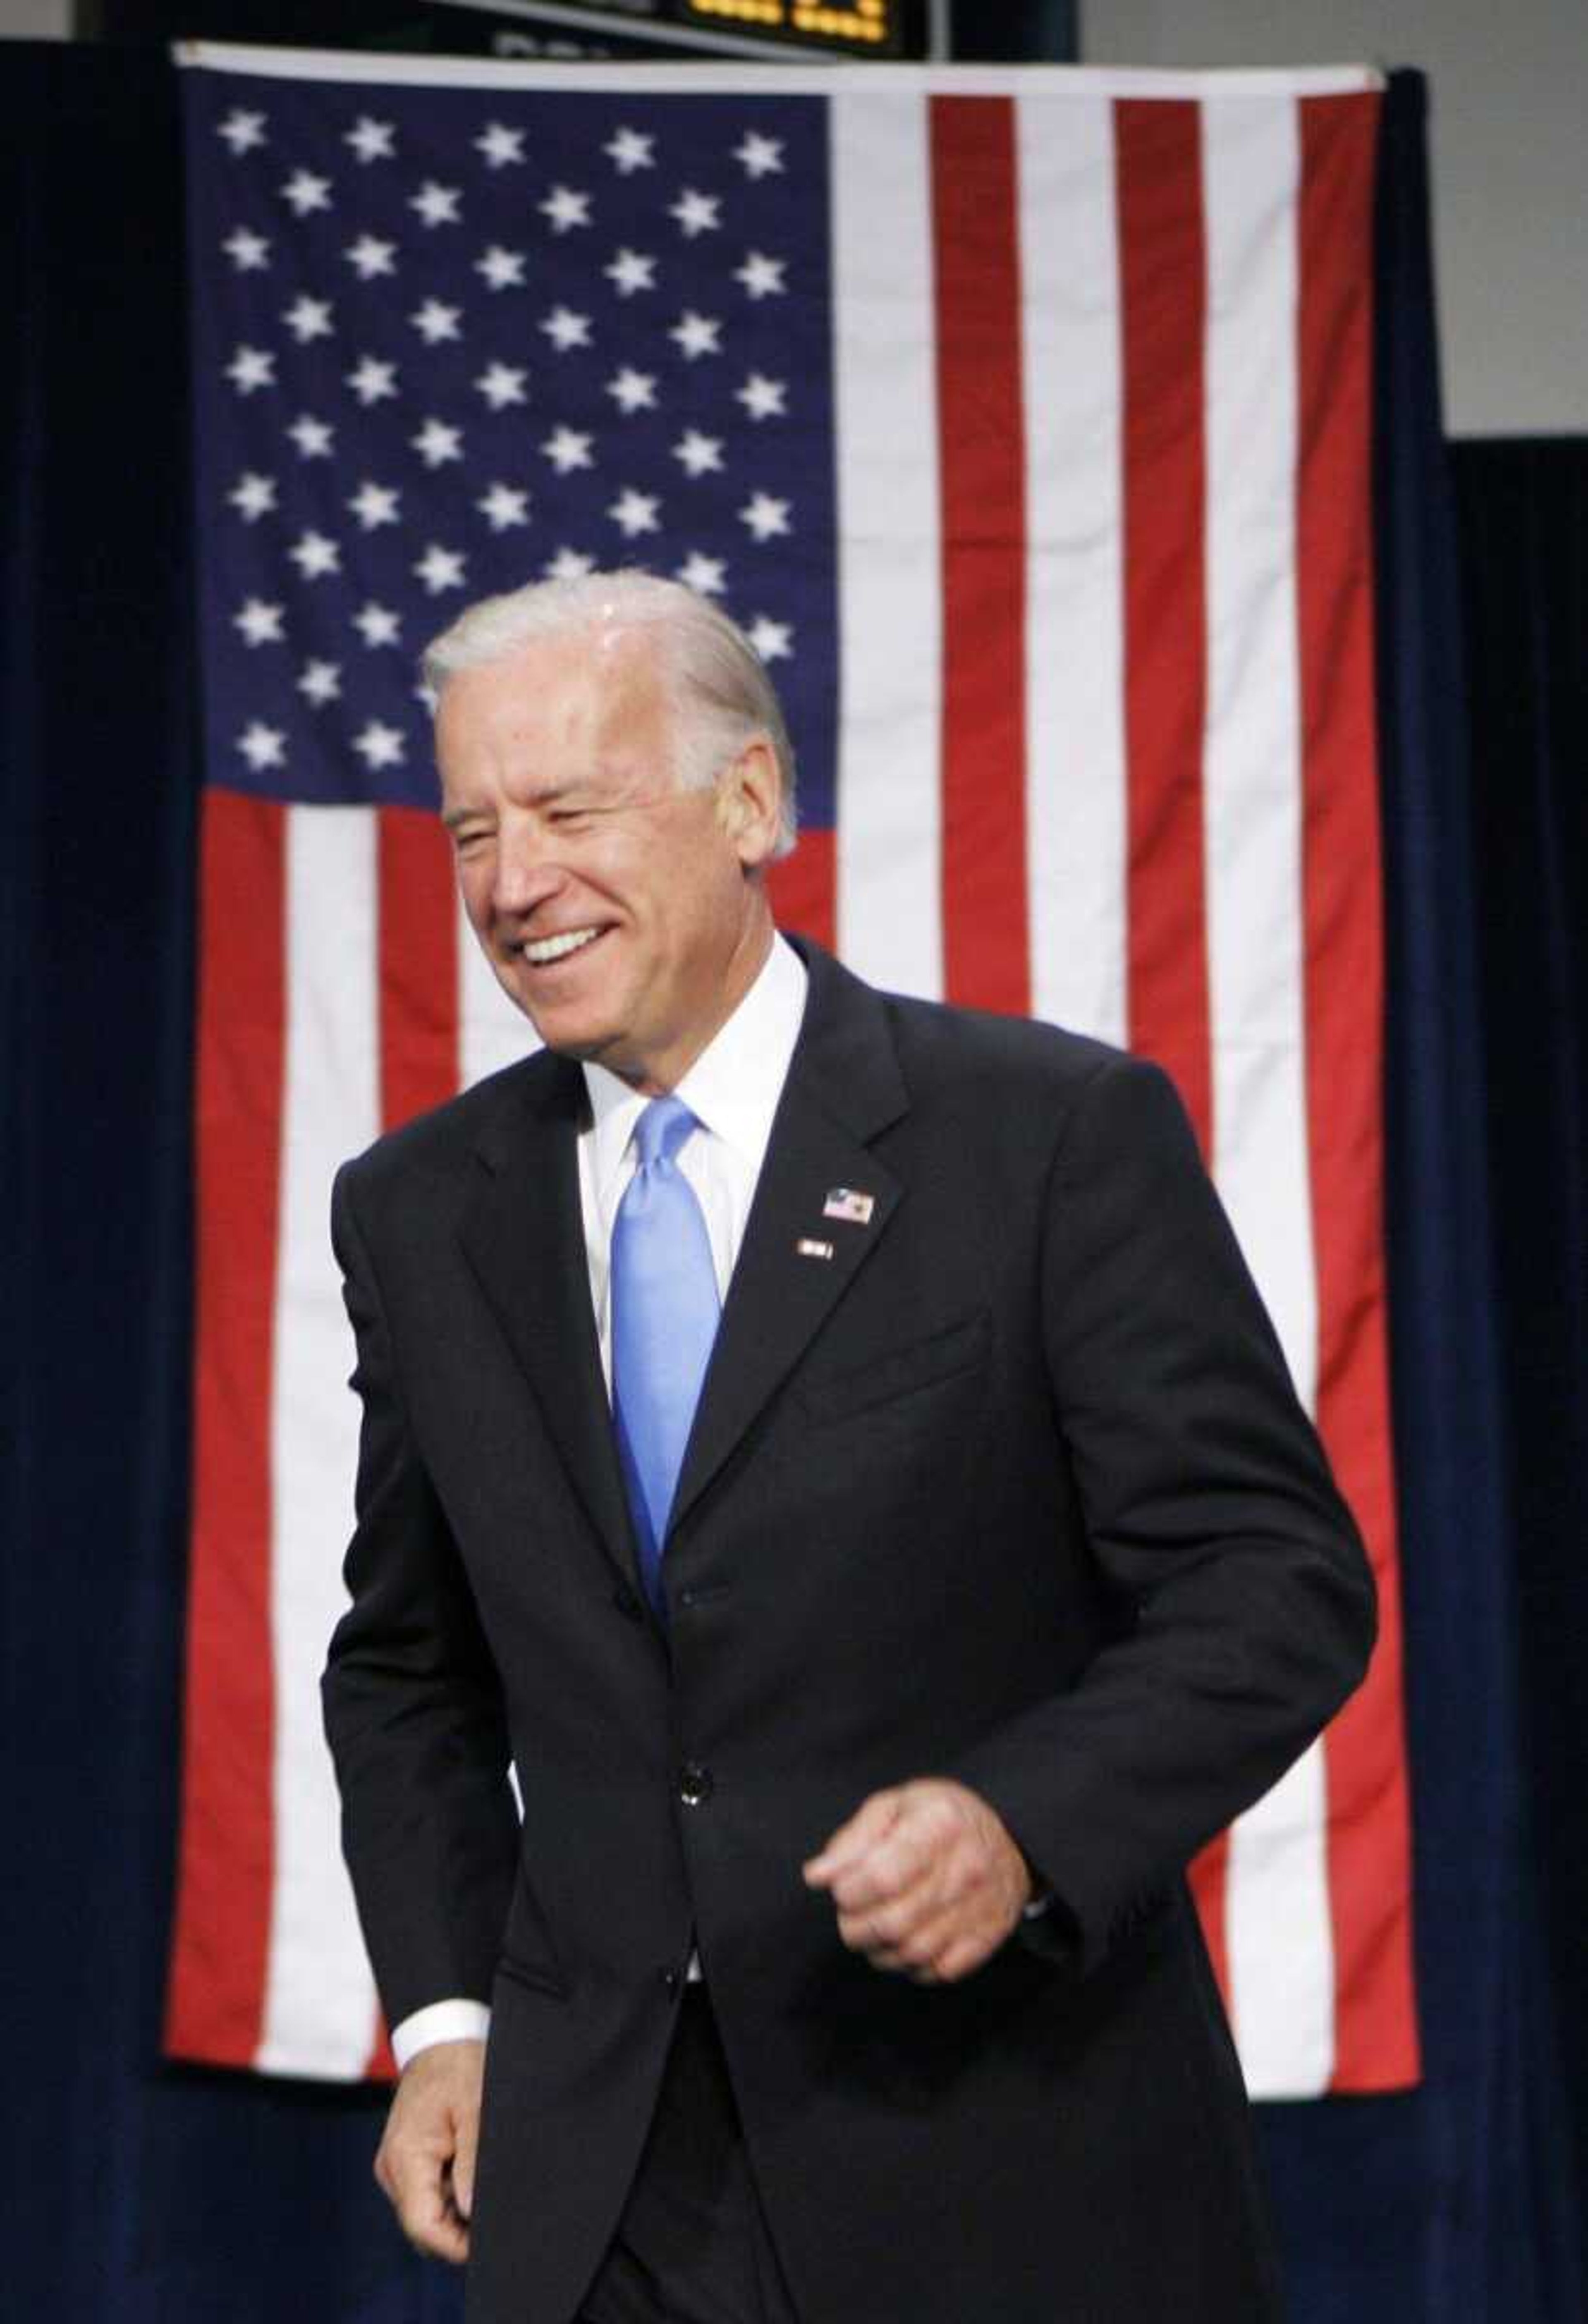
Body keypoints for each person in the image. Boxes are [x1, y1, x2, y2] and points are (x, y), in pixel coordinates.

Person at [323, 569, 1376, 2324]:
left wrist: (1024, 1821)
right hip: (610, 2200)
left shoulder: (1042, 1141)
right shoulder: (423, 1212)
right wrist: (450, 2017)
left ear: (751, 804)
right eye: (471, 832)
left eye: (572, 810)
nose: (513, 885)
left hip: (998, 2157)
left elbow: (1272, 1582)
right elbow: (411, 1671)